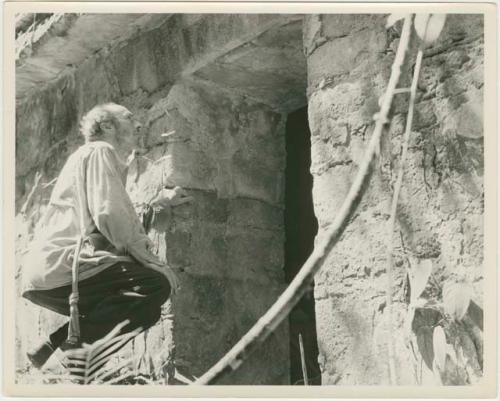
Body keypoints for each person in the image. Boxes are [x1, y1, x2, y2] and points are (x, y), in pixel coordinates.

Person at [22, 103, 180, 369]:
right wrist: (154, 262)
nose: (139, 124)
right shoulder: (99, 150)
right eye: (129, 118)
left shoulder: (90, 159)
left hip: (50, 273)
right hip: (64, 266)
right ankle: (73, 358)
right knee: (154, 285)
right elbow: (111, 215)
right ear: (107, 126)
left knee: (147, 310)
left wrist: (160, 205)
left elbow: (110, 225)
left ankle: (53, 347)